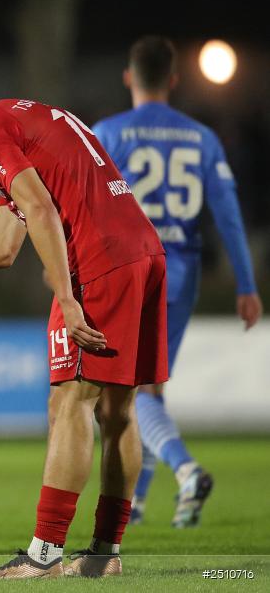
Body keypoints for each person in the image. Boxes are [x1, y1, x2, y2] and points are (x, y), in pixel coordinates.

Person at [0, 99, 167, 579]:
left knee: (70, 402)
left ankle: (43, 556)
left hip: (99, 262)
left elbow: (39, 208)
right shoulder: (19, 124)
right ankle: (104, 553)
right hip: (142, 253)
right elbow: (2, 249)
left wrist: (67, 296)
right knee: (117, 411)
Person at [92, 36, 263, 528]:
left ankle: (187, 471)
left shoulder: (108, 133)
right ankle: (138, 502)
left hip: (131, 271)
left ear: (129, 77)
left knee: (127, 393)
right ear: (172, 80)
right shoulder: (201, 138)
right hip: (181, 272)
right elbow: (228, 215)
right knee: (150, 386)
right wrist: (246, 284)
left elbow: (90, 207)